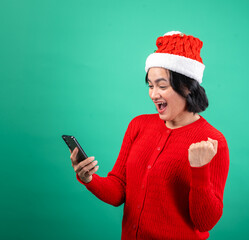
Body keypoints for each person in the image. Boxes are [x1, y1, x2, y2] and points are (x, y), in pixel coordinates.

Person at [69, 31, 230, 240]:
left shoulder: (212, 142)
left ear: (188, 87)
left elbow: (204, 222)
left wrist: (200, 169)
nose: (154, 94)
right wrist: (89, 179)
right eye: (151, 86)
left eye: (162, 86)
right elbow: (119, 189)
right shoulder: (139, 125)